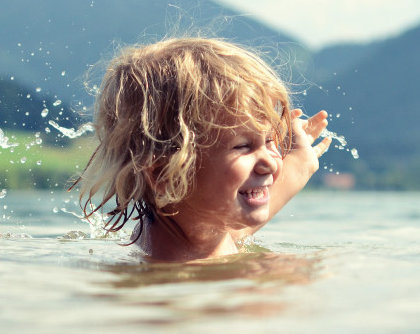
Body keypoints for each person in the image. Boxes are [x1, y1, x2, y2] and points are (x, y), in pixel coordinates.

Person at [73, 37, 331, 262]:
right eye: (243, 145)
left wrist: (301, 160)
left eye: (269, 140)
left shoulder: (205, 232)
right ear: (165, 174)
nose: (272, 162)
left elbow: (258, 204)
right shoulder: (174, 274)